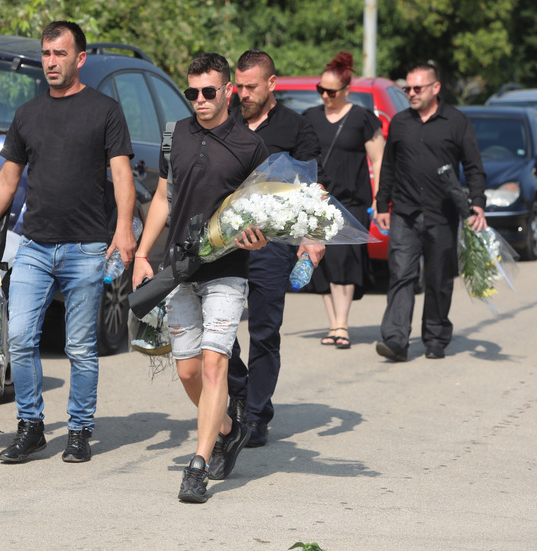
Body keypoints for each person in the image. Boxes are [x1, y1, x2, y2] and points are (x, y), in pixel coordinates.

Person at [0, 21, 137, 464]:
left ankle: (80, 429)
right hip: (34, 246)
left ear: (79, 59)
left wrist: (124, 230)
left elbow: (121, 174)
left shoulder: (104, 110)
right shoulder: (28, 113)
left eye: (60, 54)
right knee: (21, 337)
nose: (51, 62)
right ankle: (31, 425)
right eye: (46, 53)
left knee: (80, 347)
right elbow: (8, 179)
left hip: (86, 247)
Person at [131, 53, 270, 503]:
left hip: (227, 271)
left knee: (214, 366)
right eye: (192, 92)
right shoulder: (177, 136)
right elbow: (162, 199)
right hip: (180, 268)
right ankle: (229, 428)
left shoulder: (251, 146)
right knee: (188, 370)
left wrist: (258, 238)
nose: (200, 100)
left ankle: (198, 464)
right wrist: (142, 254)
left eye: (209, 92)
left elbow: (264, 214)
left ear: (229, 90)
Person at [226, 49, 326, 448]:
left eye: (251, 87)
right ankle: (236, 392)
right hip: (225, 242)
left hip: (273, 245)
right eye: (240, 86)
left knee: (265, 331)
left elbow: (313, 190)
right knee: (219, 330)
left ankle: (255, 414)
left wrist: (312, 240)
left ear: (272, 84)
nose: (243, 94)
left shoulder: (297, 129)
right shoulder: (225, 119)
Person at [373, 62, 486, 362]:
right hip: (405, 213)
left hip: (442, 215)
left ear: (435, 88)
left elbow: (474, 167)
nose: (410, 93)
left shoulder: (457, 121)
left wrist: (478, 204)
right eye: (407, 88)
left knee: (439, 279)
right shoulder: (399, 122)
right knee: (401, 274)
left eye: (417, 88)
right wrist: (382, 204)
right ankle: (396, 340)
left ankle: (435, 337)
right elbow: (389, 166)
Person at [301, 51, 385, 350]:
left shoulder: (363, 118)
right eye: (320, 89)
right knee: (321, 263)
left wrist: (379, 202)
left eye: (331, 91)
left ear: (346, 90)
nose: (325, 95)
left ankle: (342, 324)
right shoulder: (309, 117)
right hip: (318, 201)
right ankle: (333, 323)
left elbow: (378, 161)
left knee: (345, 261)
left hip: (351, 202)